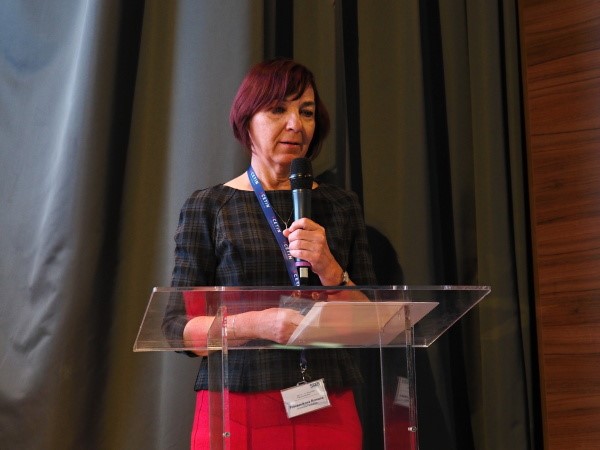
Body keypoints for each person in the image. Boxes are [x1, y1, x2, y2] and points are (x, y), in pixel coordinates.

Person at [165, 58, 377, 450]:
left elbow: (372, 325)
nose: (296, 124)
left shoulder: (340, 205)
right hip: (235, 404)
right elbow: (177, 328)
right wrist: (257, 324)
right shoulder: (209, 206)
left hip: (326, 405)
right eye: (278, 109)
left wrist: (330, 269)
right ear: (246, 120)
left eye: (306, 112)